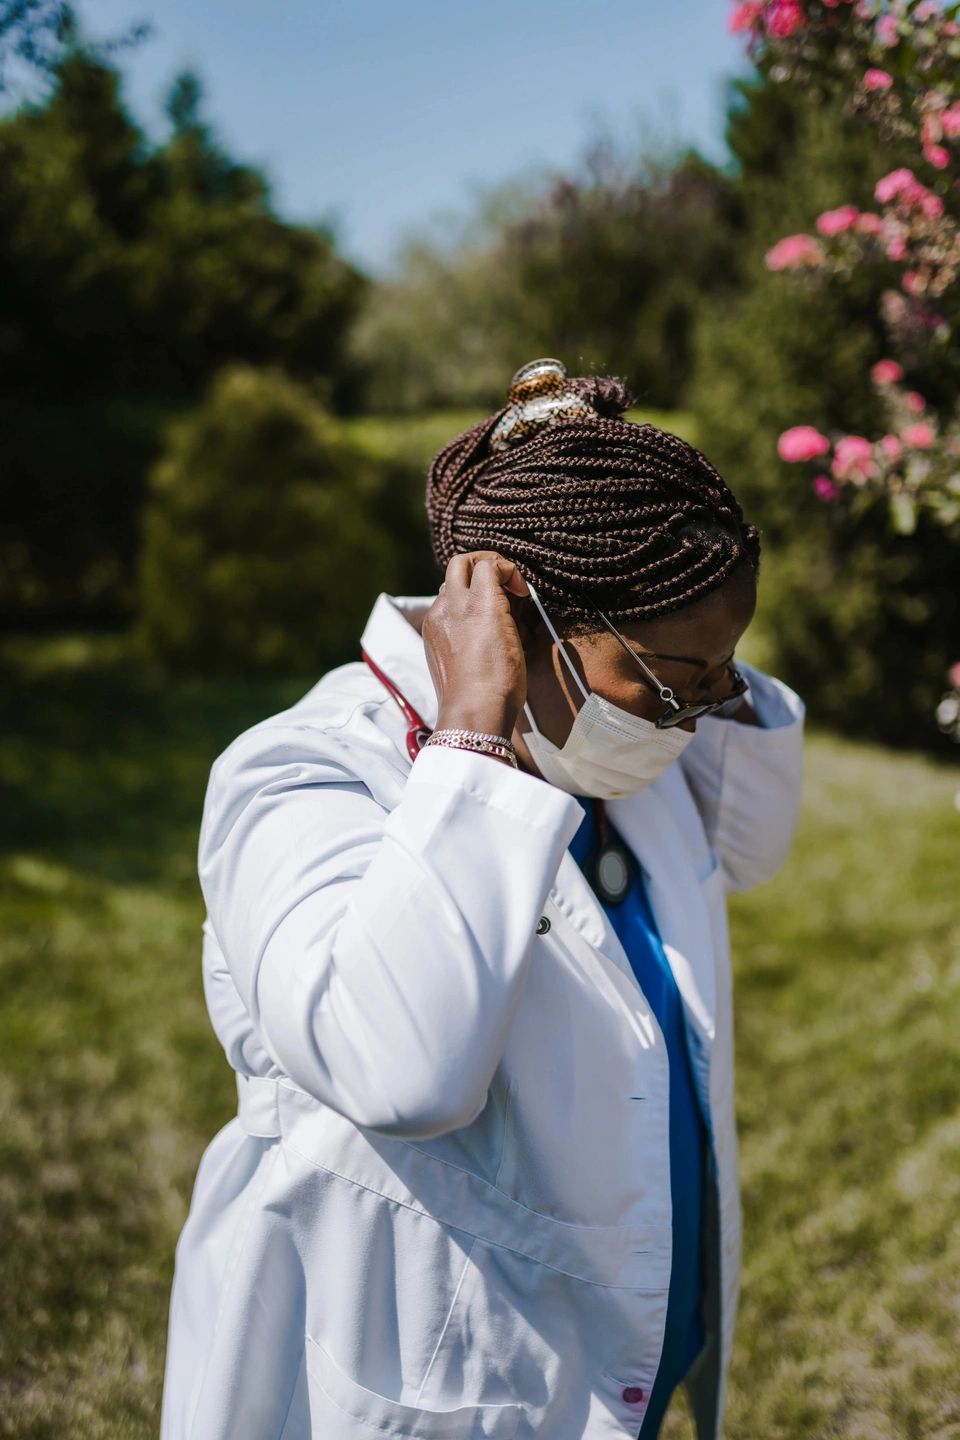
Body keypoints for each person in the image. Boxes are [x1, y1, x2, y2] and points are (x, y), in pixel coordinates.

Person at [160, 359, 804, 1440]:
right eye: (672, 678)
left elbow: (754, 842)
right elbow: (399, 1071)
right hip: (428, 1376)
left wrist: (695, 669)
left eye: (719, 677)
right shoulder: (300, 772)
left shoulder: (614, 755)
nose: (694, 717)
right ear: (516, 611)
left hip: (620, 1354)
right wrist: (472, 738)